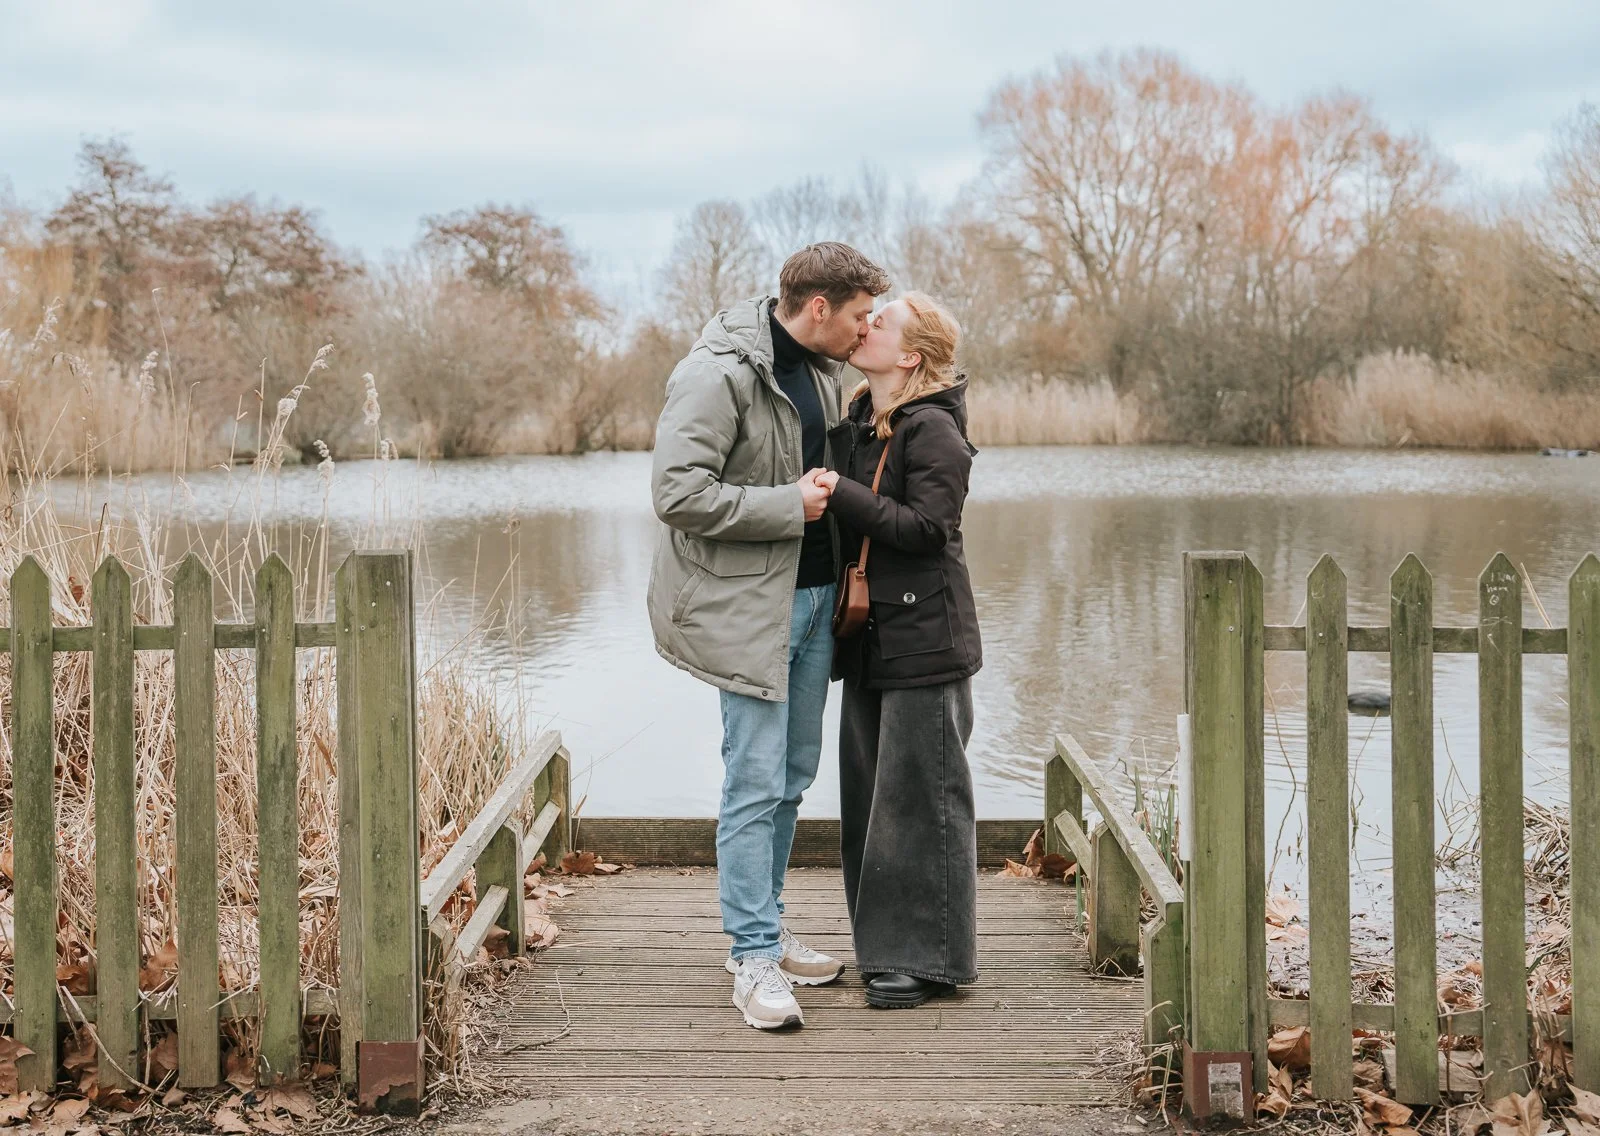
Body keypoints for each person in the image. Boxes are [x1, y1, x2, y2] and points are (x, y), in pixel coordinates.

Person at [647, 243, 892, 1030]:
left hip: (818, 604)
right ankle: (750, 956)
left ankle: (770, 927)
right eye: (858, 316)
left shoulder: (821, 371)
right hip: (749, 611)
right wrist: (789, 507)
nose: (864, 333)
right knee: (752, 779)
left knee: (792, 774)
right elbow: (678, 494)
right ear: (817, 308)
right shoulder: (714, 374)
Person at [815, 291, 983, 1009]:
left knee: (922, 803)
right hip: (870, 639)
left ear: (910, 355)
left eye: (881, 321)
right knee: (872, 802)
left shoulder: (934, 430)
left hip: (925, 642)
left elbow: (926, 530)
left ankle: (925, 960)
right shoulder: (859, 422)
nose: (866, 323)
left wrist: (840, 495)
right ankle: (884, 948)